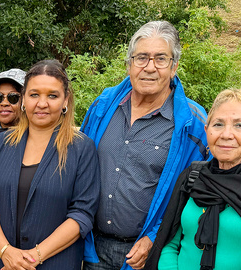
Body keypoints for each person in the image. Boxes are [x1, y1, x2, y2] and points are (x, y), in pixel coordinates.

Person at [79, 20, 209, 270]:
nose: (150, 67)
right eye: (141, 58)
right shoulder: (102, 106)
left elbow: (197, 195)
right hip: (92, 249)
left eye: (160, 59)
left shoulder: (193, 123)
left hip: (150, 253)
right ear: (129, 64)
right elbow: (78, 165)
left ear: (174, 67)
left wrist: (155, 237)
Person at [146, 88, 241, 270]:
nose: (226, 134)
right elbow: (169, 242)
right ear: (207, 131)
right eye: (218, 124)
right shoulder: (193, 177)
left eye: (240, 125)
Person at [0, 59, 100, 269]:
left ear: (65, 100)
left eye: (52, 95)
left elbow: (82, 214)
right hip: (1, 262)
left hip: (54, 263)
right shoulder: (1, 144)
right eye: (34, 95)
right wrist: (6, 251)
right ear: (24, 99)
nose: (42, 103)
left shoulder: (81, 148)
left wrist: (30, 259)